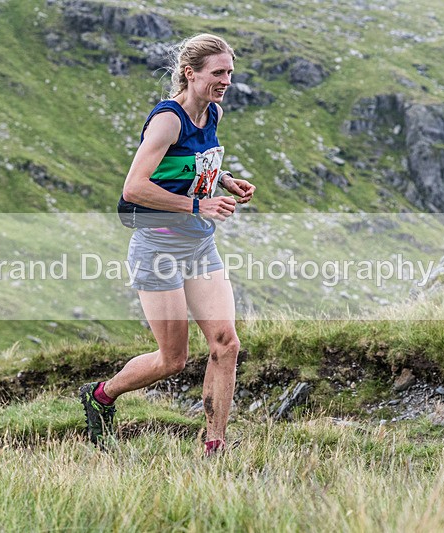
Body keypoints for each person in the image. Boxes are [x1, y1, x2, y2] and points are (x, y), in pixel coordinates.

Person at [79, 33, 255, 456]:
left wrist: (224, 180)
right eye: (218, 72)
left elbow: (195, 160)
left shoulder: (212, 112)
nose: (226, 80)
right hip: (157, 250)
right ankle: (102, 395)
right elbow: (135, 187)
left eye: (229, 72)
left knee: (225, 343)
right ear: (190, 74)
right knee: (172, 360)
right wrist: (198, 204)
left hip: (200, 248)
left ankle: (214, 444)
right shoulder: (167, 120)